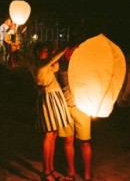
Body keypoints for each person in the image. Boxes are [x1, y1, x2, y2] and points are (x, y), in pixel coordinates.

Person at [31, 42, 71, 181]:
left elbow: (55, 66)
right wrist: (62, 49)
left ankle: (50, 169)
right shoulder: (37, 65)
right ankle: (45, 172)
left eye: (47, 51)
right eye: (44, 51)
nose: (46, 53)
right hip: (48, 98)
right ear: (37, 52)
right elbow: (52, 61)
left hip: (55, 96)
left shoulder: (45, 64)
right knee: (48, 135)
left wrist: (54, 53)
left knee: (53, 135)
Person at [58, 42, 93, 181]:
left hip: (82, 107)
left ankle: (87, 174)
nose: (70, 53)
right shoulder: (60, 67)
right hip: (65, 107)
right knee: (68, 140)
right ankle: (71, 172)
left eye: (73, 51)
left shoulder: (85, 67)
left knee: (84, 142)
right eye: (68, 51)